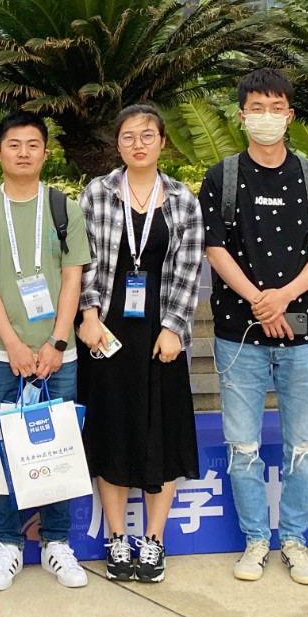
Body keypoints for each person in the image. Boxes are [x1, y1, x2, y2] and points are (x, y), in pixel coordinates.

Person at [200, 70, 308, 586]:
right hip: (239, 334)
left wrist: (281, 296)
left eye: (275, 107)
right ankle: (256, 539)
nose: (266, 116)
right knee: (242, 446)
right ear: (242, 116)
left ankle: (295, 541)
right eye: (256, 108)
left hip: (303, 333)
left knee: (305, 446)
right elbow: (215, 248)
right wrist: (259, 301)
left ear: (290, 115)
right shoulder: (221, 177)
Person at [77, 104, 204, 585]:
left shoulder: (182, 200)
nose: (138, 144)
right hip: (106, 333)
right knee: (111, 430)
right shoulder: (98, 192)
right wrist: (88, 314)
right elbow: (85, 259)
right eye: (128, 136)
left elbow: (189, 268)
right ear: (118, 144)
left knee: (162, 432)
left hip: (160, 332)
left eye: (147, 135)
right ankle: (116, 537)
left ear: (163, 142)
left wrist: (174, 327)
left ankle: (153, 539)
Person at [0, 110, 93, 592]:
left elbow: (72, 278)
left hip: (57, 356)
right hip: (1, 354)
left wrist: (57, 341)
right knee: (1, 449)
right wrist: (13, 344)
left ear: (46, 152)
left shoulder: (64, 208)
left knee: (60, 447)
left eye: (32, 145)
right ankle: (7, 542)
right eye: (14, 144)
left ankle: (56, 542)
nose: (23, 153)